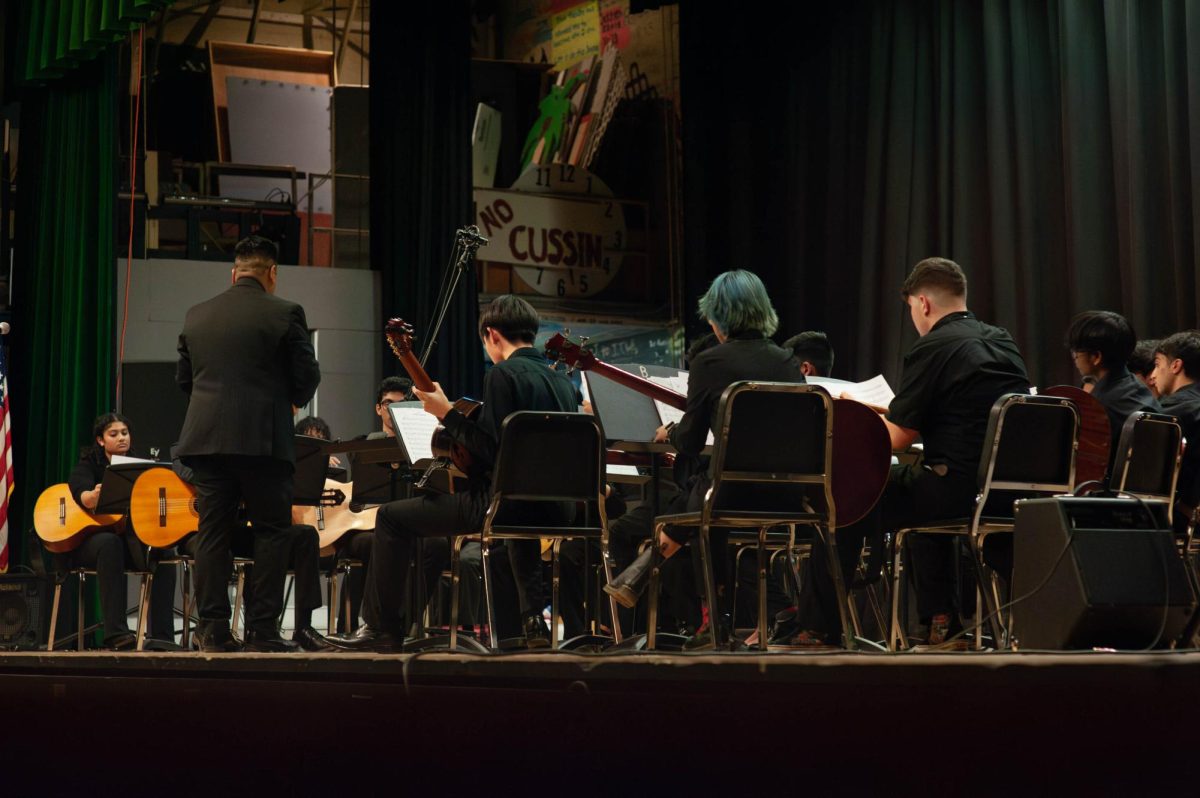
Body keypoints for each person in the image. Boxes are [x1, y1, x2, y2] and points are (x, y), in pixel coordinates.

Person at [774, 258, 1029, 649]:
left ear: (922, 303)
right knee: (921, 487)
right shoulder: (1003, 342)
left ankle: (818, 627)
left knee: (844, 495)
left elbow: (896, 439)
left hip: (953, 490)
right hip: (1004, 492)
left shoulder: (934, 346)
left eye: (911, 309)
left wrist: (855, 420)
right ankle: (942, 623)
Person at [330, 295, 577, 652]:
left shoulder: (502, 375)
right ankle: (525, 625)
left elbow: (492, 450)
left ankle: (382, 628)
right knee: (515, 529)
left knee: (390, 518)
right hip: (560, 511)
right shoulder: (563, 385)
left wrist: (447, 414)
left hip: (503, 507)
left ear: (491, 334)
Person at [604, 270, 804, 650]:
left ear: (719, 316)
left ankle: (710, 619)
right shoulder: (788, 363)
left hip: (730, 495)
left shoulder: (710, 363)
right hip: (788, 495)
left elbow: (692, 443)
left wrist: (673, 431)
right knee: (703, 491)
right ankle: (669, 584)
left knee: (699, 498)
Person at [176, 235, 321, 652]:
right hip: (263, 441)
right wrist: (284, 400)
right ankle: (262, 630)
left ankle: (214, 630)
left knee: (212, 534)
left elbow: (184, 381)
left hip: (206, 442)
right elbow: (307, 378)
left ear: (233, 272)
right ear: (272, 274)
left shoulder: (197, 314)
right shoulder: (285, 313)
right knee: (273, 533)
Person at [61, 412, 177, 649]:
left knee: (163, 550)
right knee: (108, 543)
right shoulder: (88, 464)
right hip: (88, 542)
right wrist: (89, 497)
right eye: (113, 434)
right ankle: (117, 634)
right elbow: (78, 489)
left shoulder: (140, 467)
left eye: (125, 433)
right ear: (101, 440)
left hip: (127, 542)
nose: (121, 438)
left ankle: (162, 638)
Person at [1065, 311, 1160, 477]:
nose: (1074, 358)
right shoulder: (1136, 388)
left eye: (1077, 353)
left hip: (1110, 497)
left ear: (1096, 357)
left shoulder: (1101, 406)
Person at [1150, 331, 1200, 535]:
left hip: (1185, 524)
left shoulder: (1171, 413)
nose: (1152, 375)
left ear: (1175, 365)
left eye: (1157, 364)